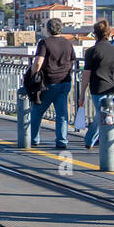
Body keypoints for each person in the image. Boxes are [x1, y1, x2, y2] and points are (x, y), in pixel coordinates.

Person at [29, 17, 76, 150]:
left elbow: (38, 63)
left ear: (48, 29)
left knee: (37, 111)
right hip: (64, 82)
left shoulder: (44, 43)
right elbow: (72, 61)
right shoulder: (68, 43)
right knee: (62, 114)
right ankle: (62, 140)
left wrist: (32, 77)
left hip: (48, 82)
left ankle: (34, 139)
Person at [78, 19, 114, 150]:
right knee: (105, 115)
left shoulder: (92, 51)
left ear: (95, 34)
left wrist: (82, 95)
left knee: (102, 116)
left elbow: (86, 74)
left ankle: (108, 143)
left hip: (98, 88)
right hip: (113, 88)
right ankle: (94, 141)